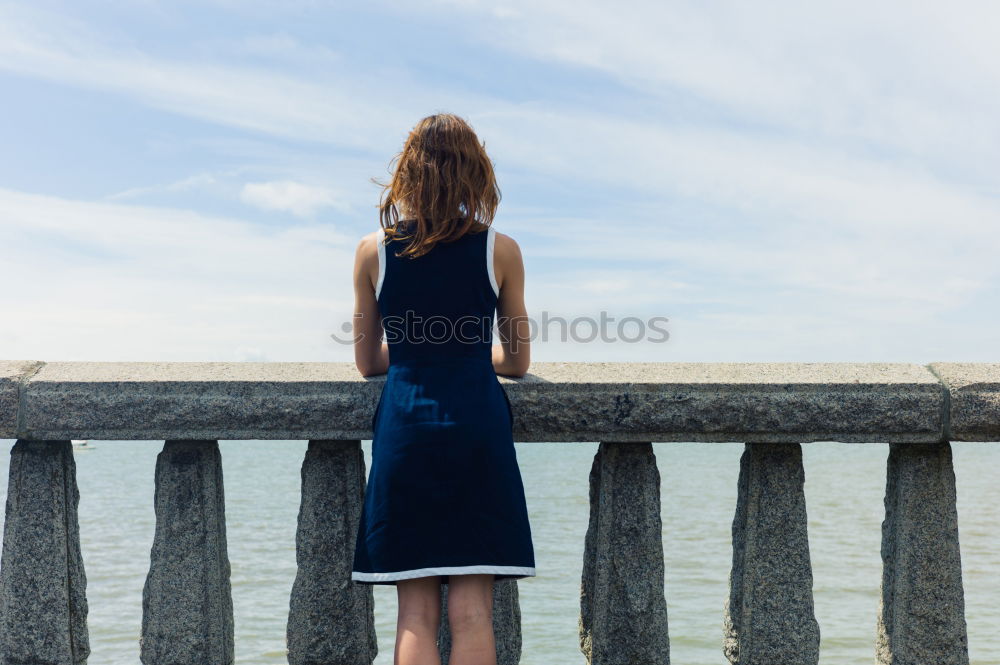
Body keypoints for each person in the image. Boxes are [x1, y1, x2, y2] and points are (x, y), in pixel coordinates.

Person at [350, 112, 536, 665]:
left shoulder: (372, 251)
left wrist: (417, 350)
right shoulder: (499, 250)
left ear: (407, 173)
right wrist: (472, 351)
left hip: (406, 430)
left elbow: (367, 361)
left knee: (415, 614)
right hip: (477, 426)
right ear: (475, 173)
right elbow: (519, 361)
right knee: (473, 614)